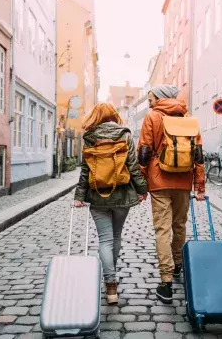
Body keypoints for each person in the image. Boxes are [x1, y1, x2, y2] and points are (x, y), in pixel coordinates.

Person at [137, 85, 205, 304]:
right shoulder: (189, 118)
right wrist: (200, 187)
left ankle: (166, 281)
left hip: (159, 181)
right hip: (184, 180)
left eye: (152, 97)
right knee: (179, 226)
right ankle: (177, 266)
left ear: (160, 98)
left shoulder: (153, 117)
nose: (149, 101)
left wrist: (141, 186)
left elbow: (144, 152)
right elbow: (199, 156)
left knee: (162, 230)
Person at [74, 103, 148, 305]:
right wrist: (142, 190)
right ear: (114, 116)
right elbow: (133, 167)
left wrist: (79, 196)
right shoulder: (125, 135)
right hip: (122, 195)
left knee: (105, 240)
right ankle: (111, 275)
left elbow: (85, 171)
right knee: (116, 236)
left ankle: (110, 283)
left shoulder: (90, 137)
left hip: (98, 196)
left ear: (96, 116)